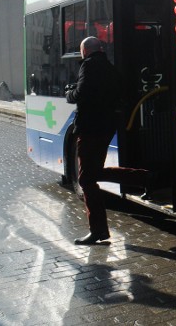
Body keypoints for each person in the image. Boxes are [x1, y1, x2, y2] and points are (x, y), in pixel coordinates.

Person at [66, 36, 149, 245]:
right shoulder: (110, 68)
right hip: (106, 128)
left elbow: (81, 92)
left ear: (85, 51)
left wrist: (70, 94)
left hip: (90, 129)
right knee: (93, 174)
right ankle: (144, 178)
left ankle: (98, 231)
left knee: (85, 179)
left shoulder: (89, 66)